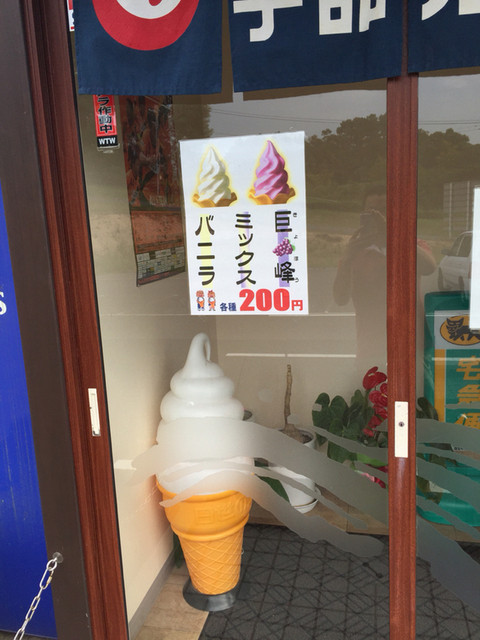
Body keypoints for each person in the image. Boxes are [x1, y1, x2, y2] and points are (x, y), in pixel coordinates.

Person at [333, 188, 436, 374]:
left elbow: (429, 267)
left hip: (413, 347)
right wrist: (348, 258)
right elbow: (340, 298)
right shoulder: (355, 251)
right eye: (372, 211)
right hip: (370, 349)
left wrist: (394, 234)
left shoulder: (410, 243)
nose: (379, 216)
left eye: (384, 211)